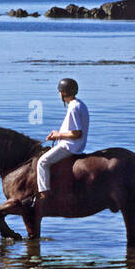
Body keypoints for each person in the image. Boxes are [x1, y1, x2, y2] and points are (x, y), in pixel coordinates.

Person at [33, 77, 89, 206]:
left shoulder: (73, 108)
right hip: (74, 144)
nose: (59, 94)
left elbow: (76, 133)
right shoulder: (80, 104)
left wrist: (58, 135)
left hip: (70, 146)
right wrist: (57, 135)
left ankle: (44, 195)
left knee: (42, 162)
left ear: (63, 93)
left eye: (59, 91)